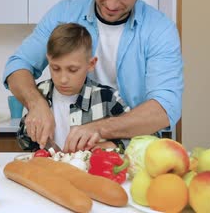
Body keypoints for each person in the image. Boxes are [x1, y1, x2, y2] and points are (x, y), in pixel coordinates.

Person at [4, 0, 183, 152]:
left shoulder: (160, 30)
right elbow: (17, 66)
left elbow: (164, 109)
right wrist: (36, 104)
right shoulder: (64, 13)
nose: (112, 4)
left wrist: (98, 129)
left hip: (130, 154)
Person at [17, 23, 130, 152]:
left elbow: (139, 137)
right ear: (48, 60)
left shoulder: (107, 98)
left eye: (72, 70)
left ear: (91, 64)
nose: (63, 79)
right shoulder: (40, 92)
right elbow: (23, 142)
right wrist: (31, 131)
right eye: (55, 68)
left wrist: (111, 146)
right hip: (48, 170)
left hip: (89, 171)